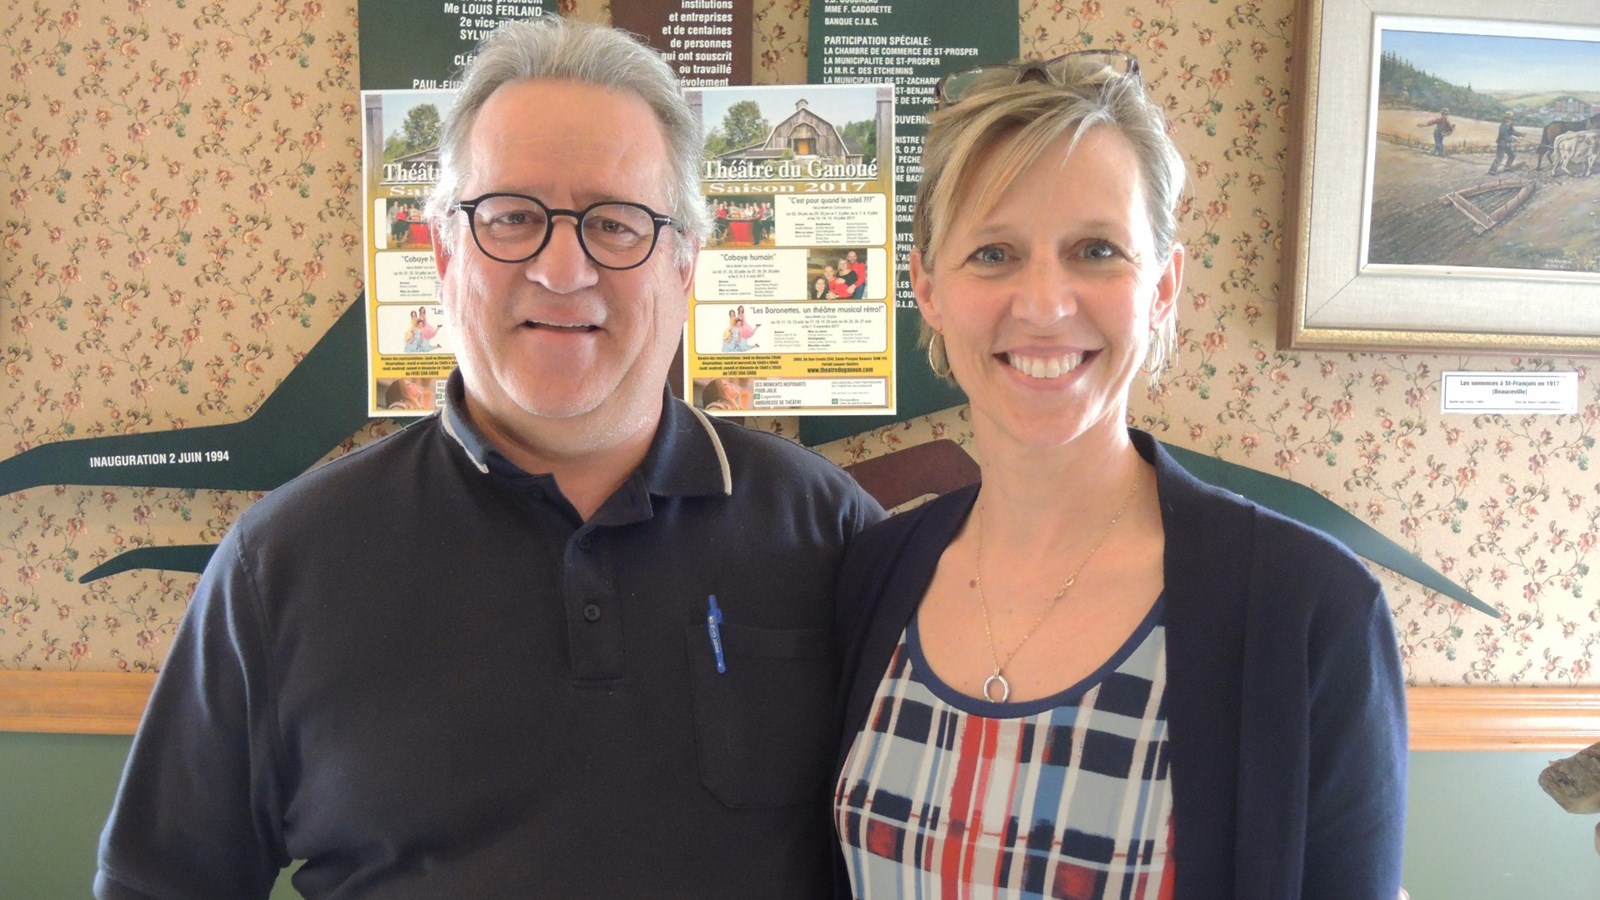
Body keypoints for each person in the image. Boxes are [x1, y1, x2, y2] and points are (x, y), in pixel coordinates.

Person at [96, 18, 884, 899]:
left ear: (684, 263)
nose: (561, 269)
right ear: (442, 252)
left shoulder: (833, 532)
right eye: (511, 217)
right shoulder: (279, 563)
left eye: (615, 223)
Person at [832, 50, 1406, 897]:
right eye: (993, 253)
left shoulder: (1310, 608)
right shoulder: (872, 577)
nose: (1045, 304)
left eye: (1096, 250)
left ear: (1163, 287)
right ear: (928, 287)